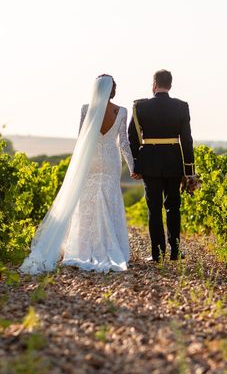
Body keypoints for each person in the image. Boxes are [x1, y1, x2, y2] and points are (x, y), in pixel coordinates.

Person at [19, 75, 135, 274]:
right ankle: (111, 247)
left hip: (90, 161)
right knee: (110, 199)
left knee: (87, 202)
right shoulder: (121, 111)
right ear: (113, 90)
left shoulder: (86, 109)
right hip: (110, 161)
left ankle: (83, 248)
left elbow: (82, 140)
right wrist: (133, 167)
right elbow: (123, 143)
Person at [128, 69, 195, 262]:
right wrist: (189, 171)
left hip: (150, 163)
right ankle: (175, 251)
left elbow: (132, 138)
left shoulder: (140, 107)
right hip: (174, 162)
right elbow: (187, 140)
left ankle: (157, 254)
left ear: (154, 84)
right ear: (170, 85)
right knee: (173, 207)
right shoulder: (182, 107)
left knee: (154, 208)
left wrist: (136, 165)